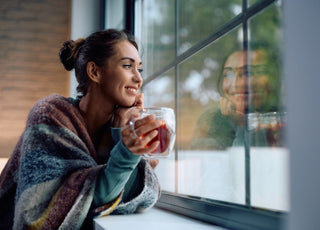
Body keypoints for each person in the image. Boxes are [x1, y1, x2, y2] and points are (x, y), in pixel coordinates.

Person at [0, 29, 162, 229]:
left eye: (140, 69)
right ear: (94, 72)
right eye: (128, 66)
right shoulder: (50, 115)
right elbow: (92, 197)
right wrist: (127, 156)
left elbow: (142, 192)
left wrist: (119, 128)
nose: (138, 79)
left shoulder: (120, 124)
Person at [190, 45, 285, 150]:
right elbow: (207, 161)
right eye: (228, 74)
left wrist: (244, 123)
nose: (234, 84)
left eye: (247, 72)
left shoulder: (286, 119)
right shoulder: (213, 119)